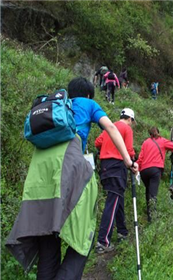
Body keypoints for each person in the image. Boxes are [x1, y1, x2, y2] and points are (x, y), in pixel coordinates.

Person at [6, 77, 138, 280]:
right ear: (87, 94)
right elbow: (111, 128)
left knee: (47, 235)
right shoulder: (88, 103)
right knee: (84, 236)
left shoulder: (54, 108)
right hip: (69, 165)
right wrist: (129, 162)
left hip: (40, 172)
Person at [95, 108, 136, 253]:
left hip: (105, 166)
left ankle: (122, 232)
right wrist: (132, 161)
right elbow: (129, 150)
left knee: (117, 197)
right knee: (112, 202)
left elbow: (97, 143)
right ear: (130, 119)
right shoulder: (126, 129)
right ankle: (102, 241)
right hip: (117, 166)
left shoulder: (109, 126)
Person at [137, 127, 173, 222]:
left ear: (150, 134)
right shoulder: (162, 140)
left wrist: (137, 168)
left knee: (148, 191)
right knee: (153, 194)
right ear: (158, 132)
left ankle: (149, 214)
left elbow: (140, 157)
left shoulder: (145, 142)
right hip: (155, 169)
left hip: (144, 170)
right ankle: (152, 217)